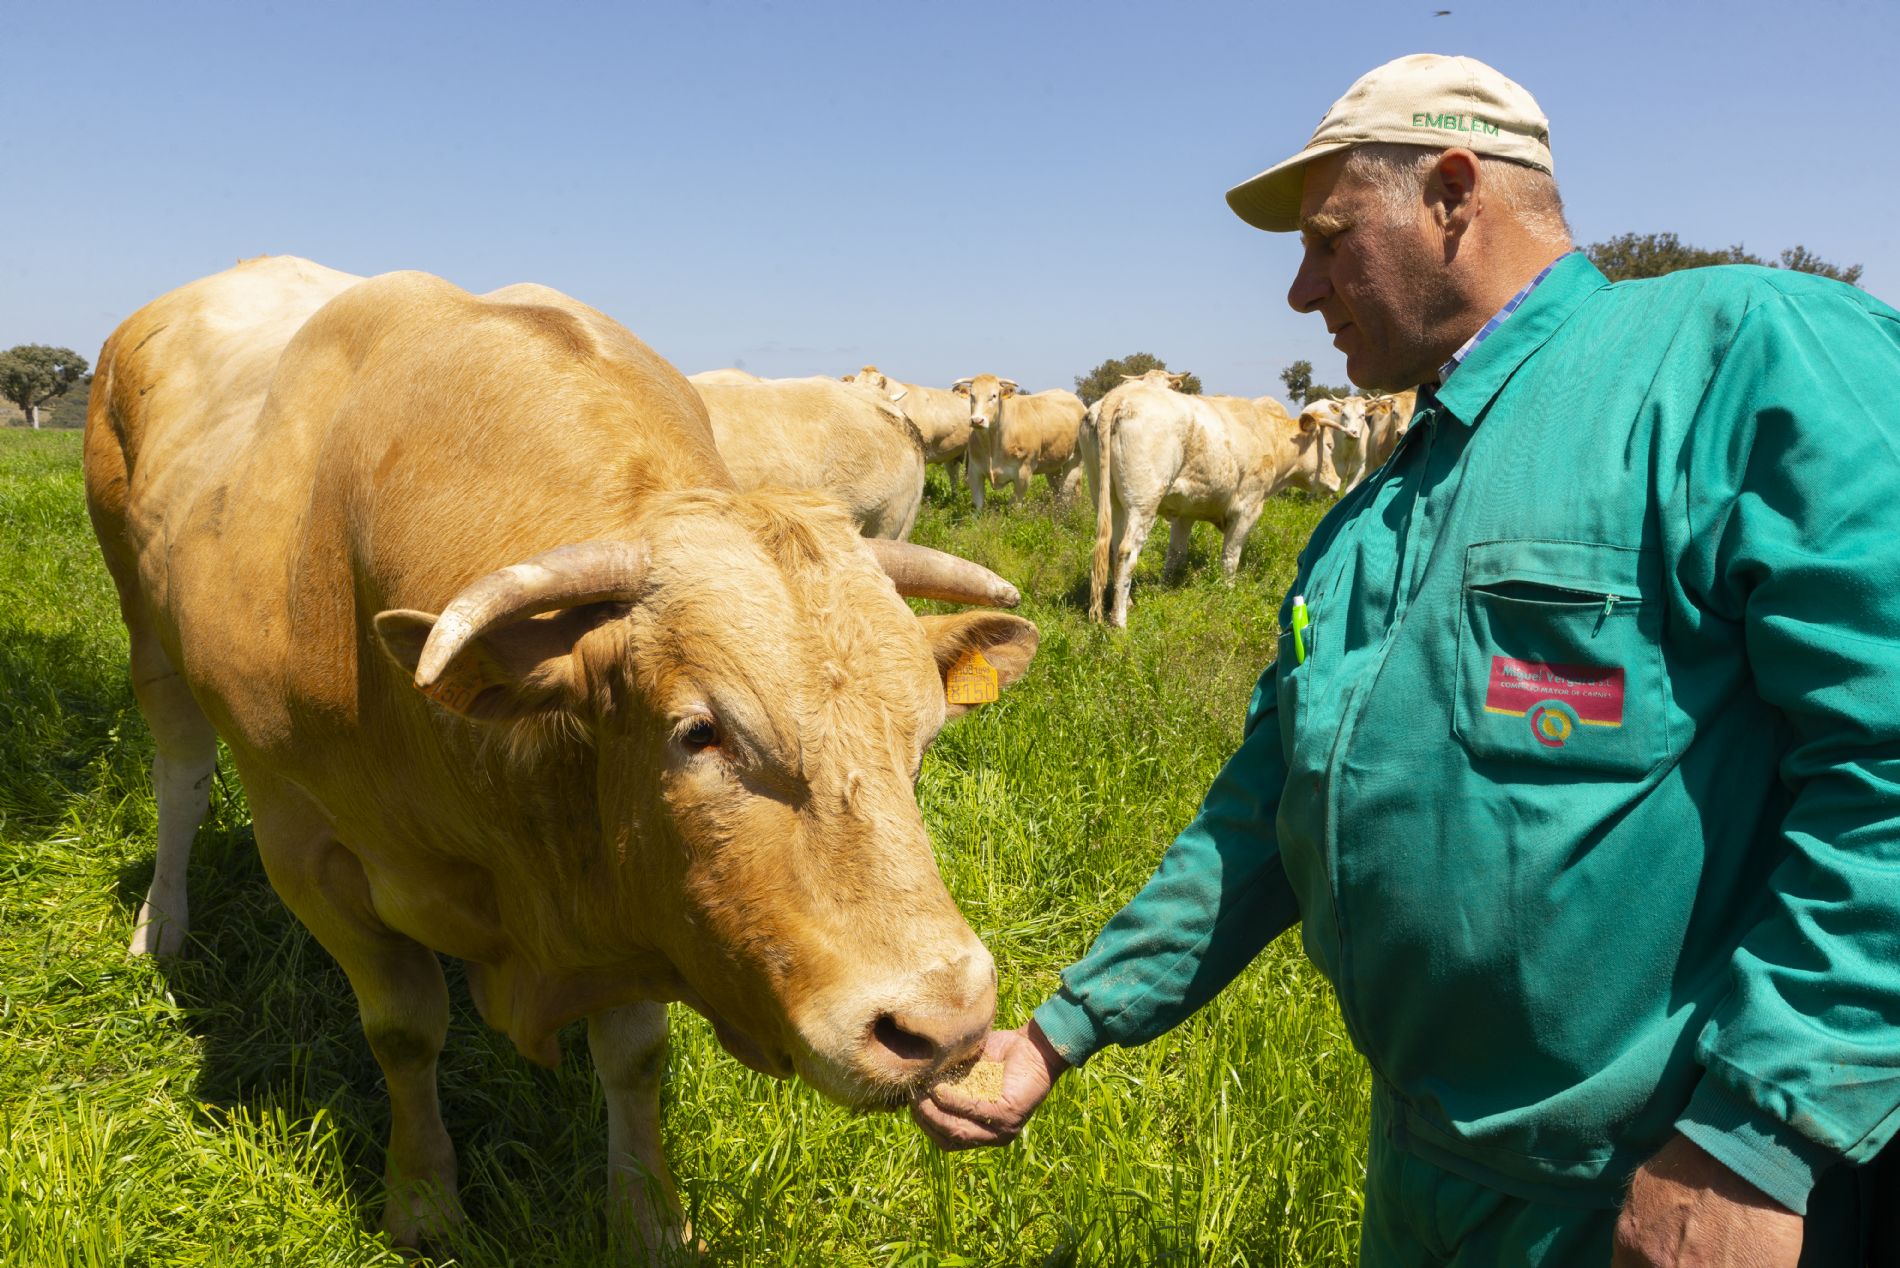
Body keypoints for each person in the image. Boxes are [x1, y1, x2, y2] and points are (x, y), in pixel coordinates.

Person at [911, 53, 1900, 1266]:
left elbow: (1884, 762)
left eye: (1329, 240)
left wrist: (1758, 1137)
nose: (1298, 290)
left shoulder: (1739, 361)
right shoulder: (1366, 519)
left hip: (1657, 1198)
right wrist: (1060, 1029)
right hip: (1426, 1173)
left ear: (1451, 192)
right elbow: (1259, 813)